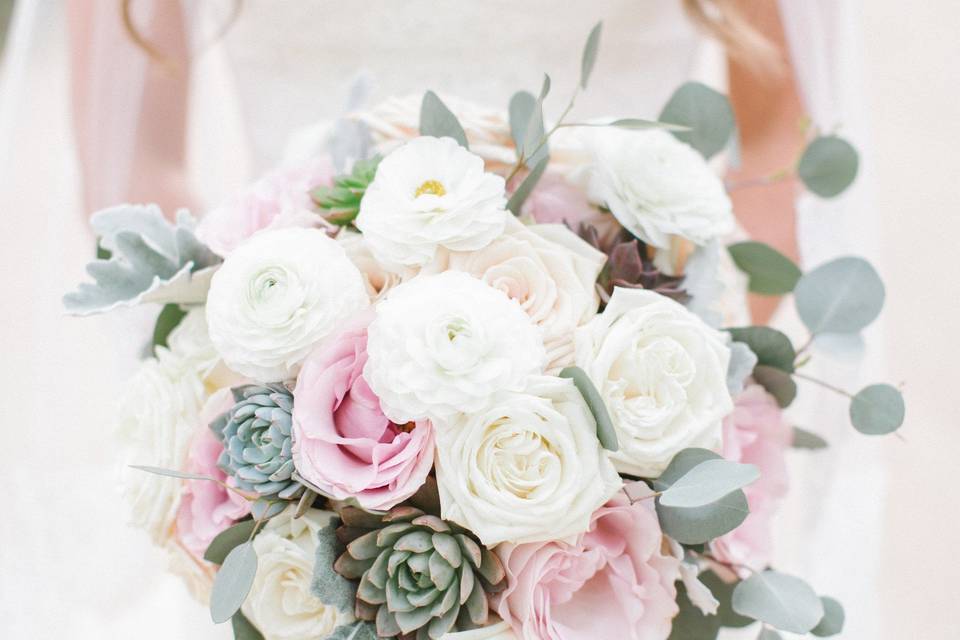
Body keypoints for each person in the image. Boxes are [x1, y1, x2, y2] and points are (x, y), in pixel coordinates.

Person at [0, 1, 881, 637]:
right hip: (302, 480)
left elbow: (778, 137)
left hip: (624, 466)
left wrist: (696, 405)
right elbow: (137, 162)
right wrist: (260, 387)